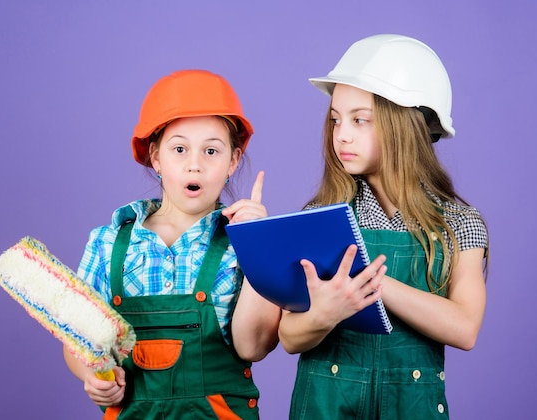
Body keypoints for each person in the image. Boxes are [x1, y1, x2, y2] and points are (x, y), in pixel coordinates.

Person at [278, 34, 489, 419]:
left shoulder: (459, 224)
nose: (341, 134)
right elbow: (289, 337)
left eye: (360, 120)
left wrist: (369, 283)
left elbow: (464, 327)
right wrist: (323, 315)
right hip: (324, 406)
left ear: (406, 125)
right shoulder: (322, 215)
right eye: (335, 119)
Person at [63, 69, 281, 419]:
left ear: (233, 162)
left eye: (212, 151)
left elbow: (253, 346)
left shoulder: (244, 246)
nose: (195, 165)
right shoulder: (107, 243)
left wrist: (258, 247)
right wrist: (92, 374)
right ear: (156, 158)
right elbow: (78, 340)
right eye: (179, 149)